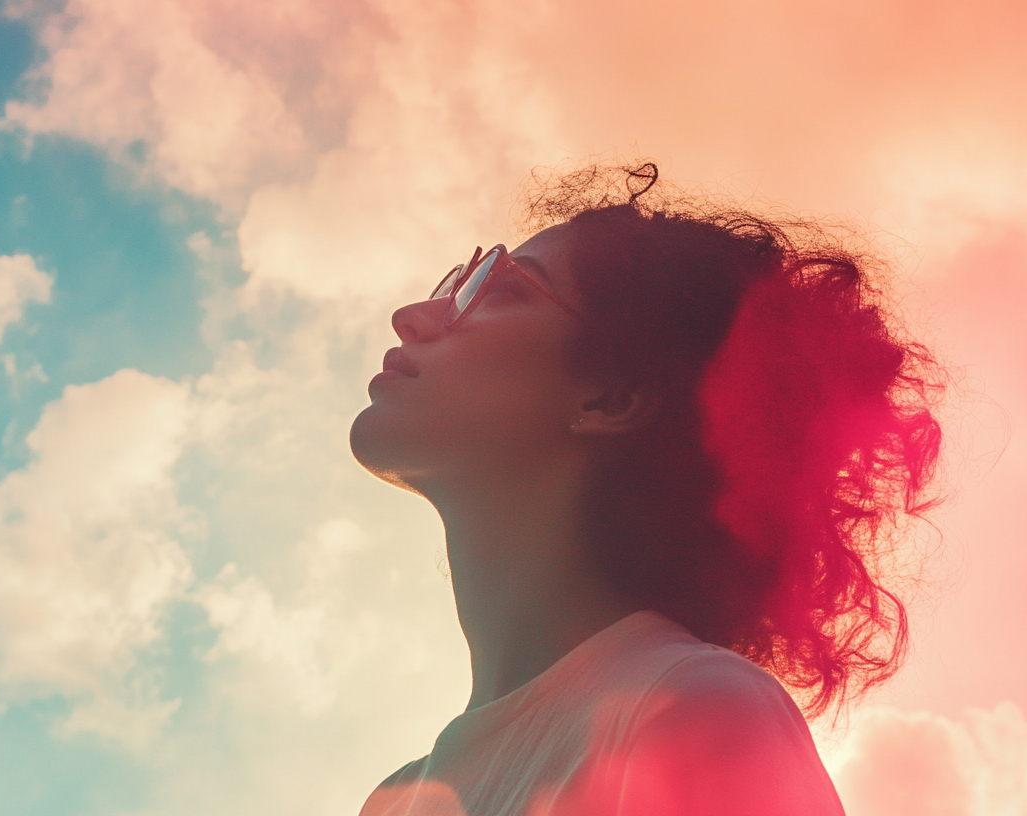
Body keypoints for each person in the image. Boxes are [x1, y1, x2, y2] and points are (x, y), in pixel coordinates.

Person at [349, 163, 943, 816]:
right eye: (458, 282)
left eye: (499, 289)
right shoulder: (397, 800)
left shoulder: (696, 707)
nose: (415, 316)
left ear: (612, 397)